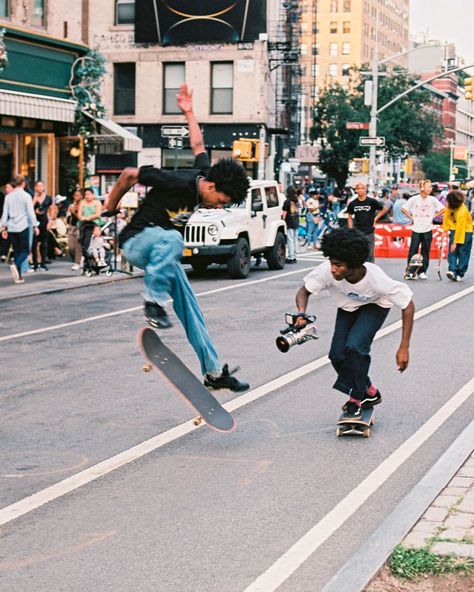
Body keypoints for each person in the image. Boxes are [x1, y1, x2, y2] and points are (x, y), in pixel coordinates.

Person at [104, 83, 250, 392]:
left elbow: (198, 144)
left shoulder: (204, 173)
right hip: (136, 243)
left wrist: (189, 111)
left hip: (161, 253)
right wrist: (110, 206)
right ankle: (153, 301)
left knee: (191, 307)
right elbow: (130, 174)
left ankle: (212, 372)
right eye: (221, 201)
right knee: (173, 239)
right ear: (211, 187)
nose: (218, 207)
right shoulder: (176, 181)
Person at [294, 228, 414, 419]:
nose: (333, 269)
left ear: (355, 265)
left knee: (356, 347)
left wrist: (404, 347)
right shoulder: (328, 270)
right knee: (336, 355)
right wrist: (301, 313)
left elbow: (407, 305)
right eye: (332, 263)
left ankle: (356, 399)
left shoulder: (376, 278)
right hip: (347, 308)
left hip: (375, 306)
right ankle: (369, 391)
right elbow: (303, 291)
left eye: (339, 265)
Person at [402, 179, 445, 280]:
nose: (430, 189)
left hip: (427, 229)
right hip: (416, 229)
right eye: (428, 187)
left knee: (425, 251)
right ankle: (411, 271)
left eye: (431, 187)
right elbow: (403, 209)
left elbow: (443, 209)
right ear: (422, 187)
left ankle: (422, 271)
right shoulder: (414, 199)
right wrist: (411, 217)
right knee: (413, 250)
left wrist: (433, 217)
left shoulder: (432, 199)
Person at [0, 175, 39, 283]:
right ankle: (16, 264)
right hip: (23, 226)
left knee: (17, 250)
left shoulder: (8, 196)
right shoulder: (26, 196)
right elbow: (31, 213)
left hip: (11, 226)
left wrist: (4, 228)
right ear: (23, 183)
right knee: (25, 251)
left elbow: (5, 213)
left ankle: (19, 277)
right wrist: (35, 225)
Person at [347, 182, 387, 262]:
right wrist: (351, 230)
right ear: (356, 190)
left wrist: (375, 218)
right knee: (358, 253)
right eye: (358, 188)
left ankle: (370, 271)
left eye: (362, 188)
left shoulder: (371, 201)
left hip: (369, 231)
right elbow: (349, 217)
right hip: (357, 231)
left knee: (370, 254)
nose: (360, 190)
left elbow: (384, 209)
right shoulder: (352, 203)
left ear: (365, 189)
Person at [442, 190, 473, 282]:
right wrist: (445, 230)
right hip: (454, 229)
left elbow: (461, 228)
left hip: (466, 231)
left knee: (463, 252)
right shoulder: (449, 206)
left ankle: (460, 273)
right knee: (452, 251)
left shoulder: (462, 211)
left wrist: (455, 242)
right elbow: (446, 218)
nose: (446, 203)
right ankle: (452, 270)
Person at [31, 180, 52, 271]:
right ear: (35, 188)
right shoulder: (32, 197)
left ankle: (43, 263)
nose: (40, 188)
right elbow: (29, 209)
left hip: (44, 221)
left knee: (44, 243)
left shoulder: (48, 198)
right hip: (35, 222)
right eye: (38, 186)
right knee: (34, 244)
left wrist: (50, 221)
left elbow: (52, 209)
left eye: (41, 186)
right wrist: (34, 201)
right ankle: (35, 263)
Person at [67, 188, 83, 270]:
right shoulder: (72, 204)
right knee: (71, 247)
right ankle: (77, 259)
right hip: (72, 226)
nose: (75, 197)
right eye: (74, 195)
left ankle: (78, 262)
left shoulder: (83, 205)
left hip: (79, 226)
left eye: (77, 195)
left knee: (78, 246)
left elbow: (80, 218)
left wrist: (74, 212)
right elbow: (69, 217)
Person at [282, 185, 299, 263]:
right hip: (296, 221)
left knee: (290, 240)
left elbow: (284, 213)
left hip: (289, 222)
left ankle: (290, 257)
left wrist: (282, 220)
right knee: (295, 239)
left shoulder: (287, 201)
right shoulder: (296, 201)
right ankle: (295, 256)